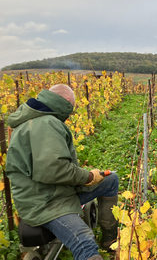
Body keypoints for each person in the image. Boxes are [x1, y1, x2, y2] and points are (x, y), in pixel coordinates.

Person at [6, 84, 119, 260]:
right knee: (84, 242)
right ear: (66, 102)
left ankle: (110, 240)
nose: (71, 114)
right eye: (71, 108)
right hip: (46, 203)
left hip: (54, 192)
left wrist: (86, 177)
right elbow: (54, 170)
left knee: (110, 179)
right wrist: (88, 177)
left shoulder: (38, 119)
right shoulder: (46, 123)